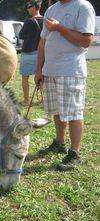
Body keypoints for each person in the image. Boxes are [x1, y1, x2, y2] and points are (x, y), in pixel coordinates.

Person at [35, 0, 95, 171]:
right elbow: (43, 42)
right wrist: (39, 69)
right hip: (50, 70)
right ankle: (59, 142)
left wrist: (60, 27)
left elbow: (86, 40)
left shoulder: (82, 6)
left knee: (74, 112)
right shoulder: (52, 9)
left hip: (70, 70)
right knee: (57, 110)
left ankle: (75, 153)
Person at [19, 0, 43, 106]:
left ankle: (26, 100)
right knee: (41, 77)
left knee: (25, 77)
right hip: (41, 52)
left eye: (29, 7)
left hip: (29, 52)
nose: (27, 9)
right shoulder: (45, 20)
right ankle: (43, 99)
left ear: (34, 7)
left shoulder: (29, 21)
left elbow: (21, 35)